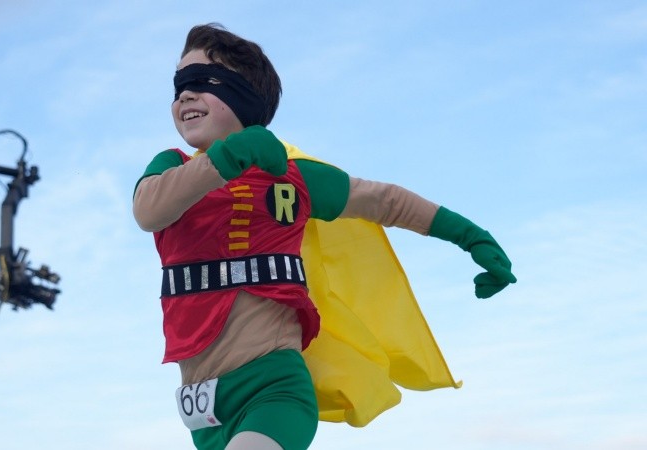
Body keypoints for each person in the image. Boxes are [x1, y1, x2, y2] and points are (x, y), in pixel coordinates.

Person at [132, 23, 516, 450]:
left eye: (205, 81)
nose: (185, 95)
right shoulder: (171, 168)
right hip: (205, 411)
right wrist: (224, 159)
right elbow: (149, 210)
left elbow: (385, 201)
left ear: (244, 95)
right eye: (179, 86)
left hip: (275, 389)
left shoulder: (293, 178)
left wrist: (471, 237)